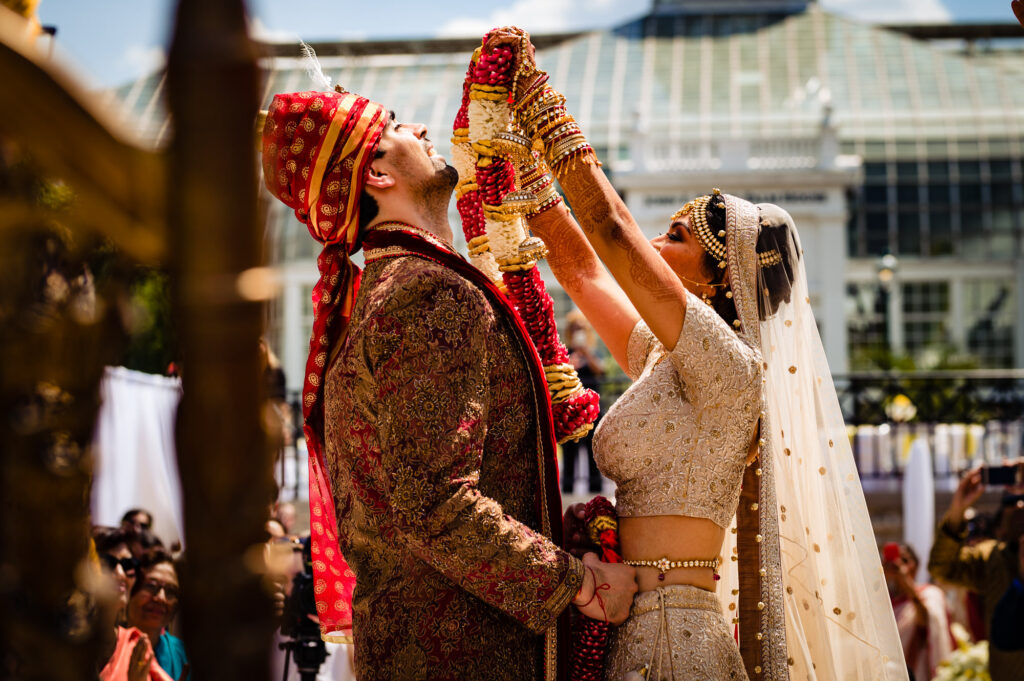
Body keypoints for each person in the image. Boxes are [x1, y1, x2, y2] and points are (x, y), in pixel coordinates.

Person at [491, 27, 907, 680]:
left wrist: (543, 111)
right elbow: (584, 273)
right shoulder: (669, 360)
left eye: (677, 236)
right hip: (624, 624)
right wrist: (523, 173)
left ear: (722, 276)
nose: (657, 242)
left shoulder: (731, 369)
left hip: (677, 644)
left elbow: (615, 237)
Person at [259, 81, 637, 681]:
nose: (422, 130)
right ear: (377, 173)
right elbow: (433, 502)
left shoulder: (385, 293)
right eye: (397, 126)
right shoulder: (426, 292)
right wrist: (578, 584)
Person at [928, 470, 1024, 680]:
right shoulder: (992, 557)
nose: (1019, 506)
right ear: (1000, 525)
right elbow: (943, 568)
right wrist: (957, 509)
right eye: (1011, 501)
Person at [884, 542, 953, 680]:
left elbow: (927, 622)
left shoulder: (930, 594)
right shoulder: (883, 601)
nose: (898, 565)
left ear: (916, 566)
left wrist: (906, 583)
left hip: (918, 671)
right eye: (894, 561)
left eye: (904, 560)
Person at [125, 550, 189, 681]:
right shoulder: (108, 648)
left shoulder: (184, 656)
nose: (161, 598)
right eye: (151, 586)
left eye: (171, 591)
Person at [560, 311, 604, 495]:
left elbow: (601, 371)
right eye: (575, 328)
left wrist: (586, 353)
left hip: (591, 411)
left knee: (594, 456)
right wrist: (569, 364)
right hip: (569, 412)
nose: (578, 331)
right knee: (570, 456)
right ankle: (567, 493)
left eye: (582, 328)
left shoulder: (593, 352)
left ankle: (597, 495)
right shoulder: (563, 354)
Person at [94, 526, 140, 623]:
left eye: (127, 564)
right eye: (106, 563)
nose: (121, 574)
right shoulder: (67, 634)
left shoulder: (136, 637)